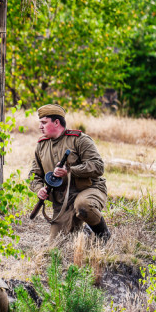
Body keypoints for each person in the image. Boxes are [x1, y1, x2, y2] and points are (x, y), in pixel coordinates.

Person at [29, 104, 109, 242]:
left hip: (89, 189)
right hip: (63, 201)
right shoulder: (41, 146)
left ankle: (103, 235)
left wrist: (70, 171)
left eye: (44, 123)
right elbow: (34, 175)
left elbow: (98, 166)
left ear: (56, 122)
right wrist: (39, 189)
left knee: (83, 206)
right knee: (57, 246)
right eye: (40, 123)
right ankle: (85, 231)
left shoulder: (79, 140)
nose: (40, 127)